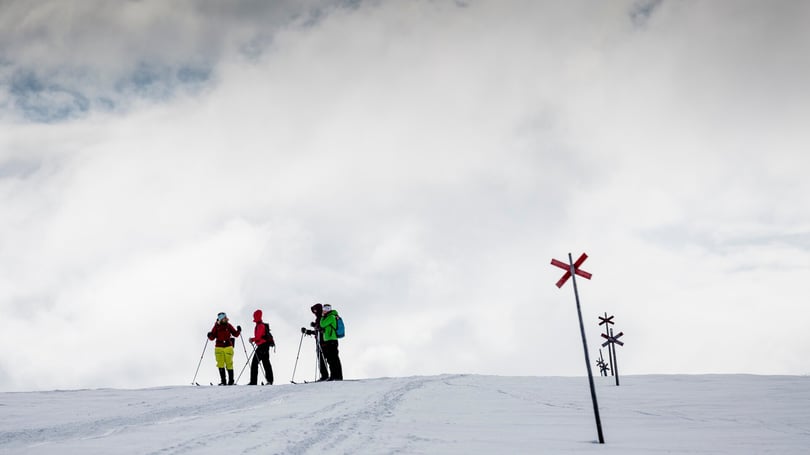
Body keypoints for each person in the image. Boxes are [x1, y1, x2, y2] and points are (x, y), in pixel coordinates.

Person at [207, 312, 241, 385]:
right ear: (221, 319)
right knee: (220, 364)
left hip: (228, 346)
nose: (225, 319)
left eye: (225, 317)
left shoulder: (228, 325)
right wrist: (210, 335)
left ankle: (231, 381)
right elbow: (212, 337)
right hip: (219, 347)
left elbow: (235, 334)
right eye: (224, 318)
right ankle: (223, 381)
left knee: (229, 364)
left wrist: (238, 330)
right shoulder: (216, 326)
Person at [247, 309, 274, 385]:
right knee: (266, 363)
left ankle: (253, 381)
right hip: (265, 346)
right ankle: (270, 380)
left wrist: (252, 339)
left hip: (262, 346)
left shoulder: (260, 326)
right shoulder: (261, 325)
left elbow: (258, 337)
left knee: (254, 363)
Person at [319, 304, 343, 381]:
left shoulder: (331, 317)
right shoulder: (331, 317)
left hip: (331, 340)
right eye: (324, 309)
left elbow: (322, 324)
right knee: (332, 359)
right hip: (330, 340)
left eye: (325, 309)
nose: (324, 310)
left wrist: (322, 316)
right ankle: (336, 376)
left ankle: (335, 376)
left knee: (332, 359)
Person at [310, 303, 330, 382]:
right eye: (313, 310)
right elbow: (317, 331)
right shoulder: (318, 318)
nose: (314, 312)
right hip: (319, 341)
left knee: (325, 359)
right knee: (321, 359)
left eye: (315, 310)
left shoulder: (321, 318)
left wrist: (315, 326)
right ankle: (324, 375)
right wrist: (308, 331)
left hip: (323, 341)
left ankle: (326, 376)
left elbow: (321, 329)